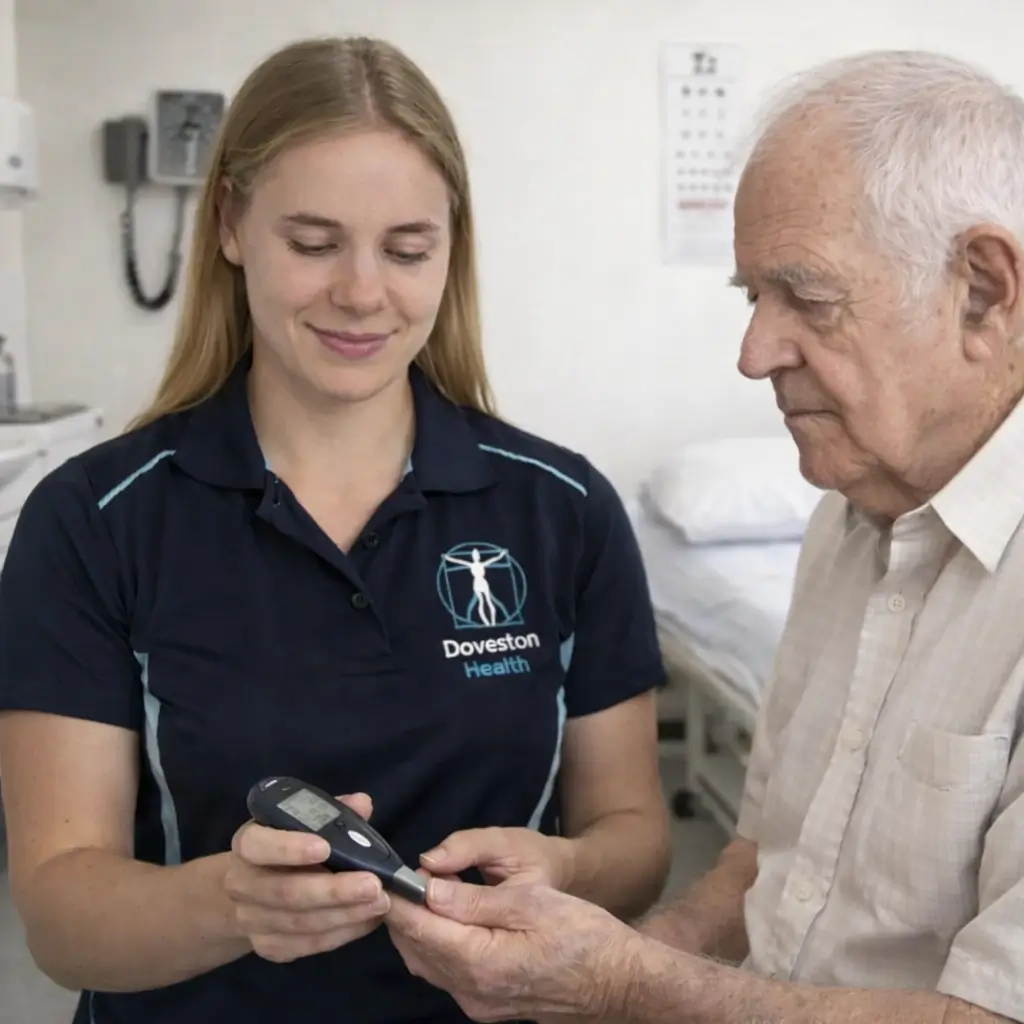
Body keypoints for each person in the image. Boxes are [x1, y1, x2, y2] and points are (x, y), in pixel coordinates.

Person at [0, 35, 672, 1024]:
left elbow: (636, 835)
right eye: (313, 243)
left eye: (407, 249)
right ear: (229, 223)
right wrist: (230, 904)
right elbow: (62, 917)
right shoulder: (95, 521)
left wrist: (567, 867)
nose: (362, 292)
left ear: (452, 247)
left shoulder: (562, 509)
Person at [383, 49, 1024, 1024]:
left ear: (982, 288)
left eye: (807, 298)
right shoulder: (846, 524)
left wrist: (623, 982)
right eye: (751, 297)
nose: (753, 353)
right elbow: (762, 862)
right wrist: (597, 958)